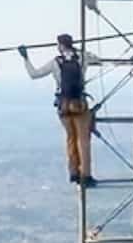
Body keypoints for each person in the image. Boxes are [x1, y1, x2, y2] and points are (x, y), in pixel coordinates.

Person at [20, 35, 95, 187]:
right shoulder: (82, 58)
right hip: (79, 104)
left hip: (64, 106)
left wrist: (25, 58)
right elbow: (99, 59)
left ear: (60, 46)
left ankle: (73, 172)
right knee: (83, 140)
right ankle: (85, 175)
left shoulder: (56, 62)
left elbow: (34, 74)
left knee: (70, 138)